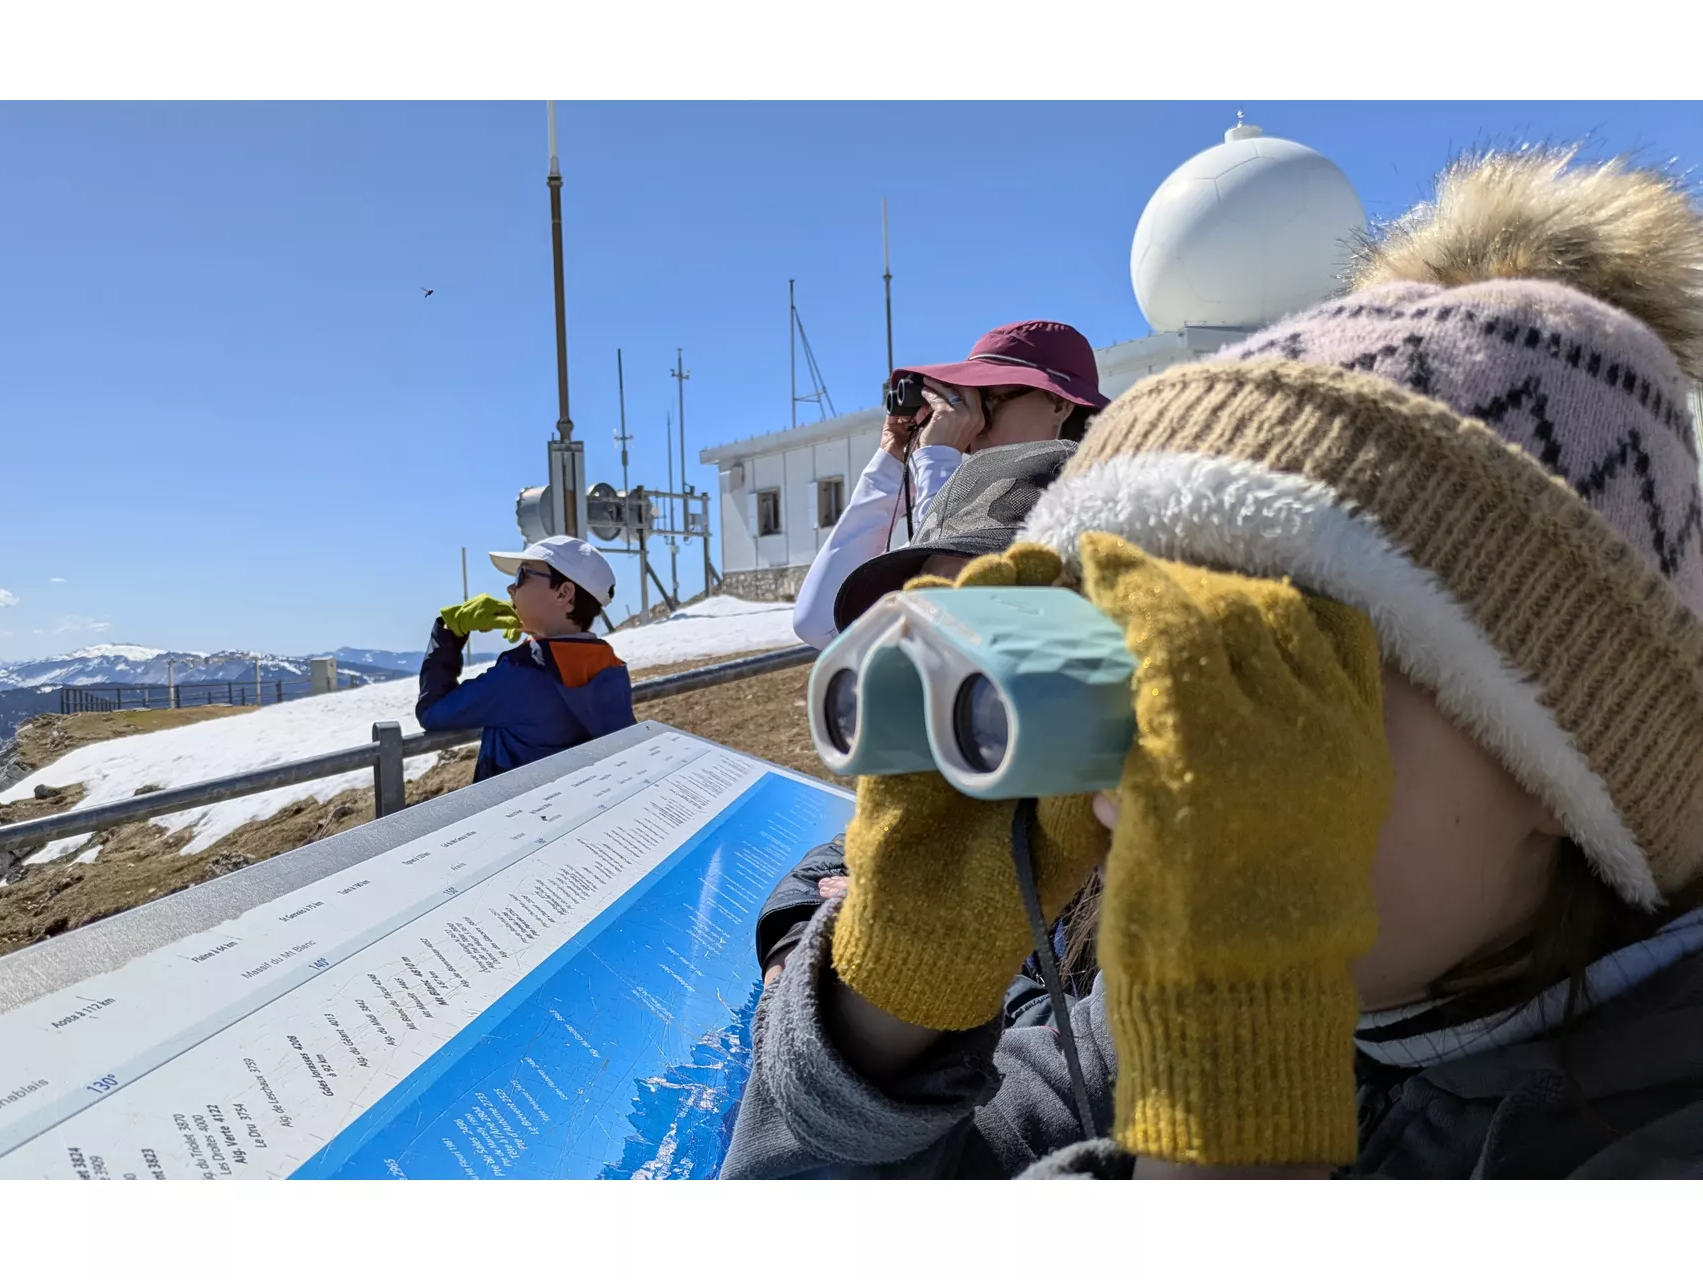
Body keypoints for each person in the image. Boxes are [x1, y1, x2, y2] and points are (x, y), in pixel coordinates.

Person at [724, 147, 1703, 1179]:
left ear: (1571, 759)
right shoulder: (1137, 1027)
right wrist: (893, 1005)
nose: (1154, 759)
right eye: (1139, 646)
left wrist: (1225, 1147)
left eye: (1269, 662)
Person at [755, 439, 1080, 992]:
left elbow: (1103, 1052)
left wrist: (920, 956)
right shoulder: (988, 758)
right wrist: (800, 931)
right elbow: (856, 849)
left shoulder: (1171, 827)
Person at [790, 320, 1107, 650]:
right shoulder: (962, 501)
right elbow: (818, 623)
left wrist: (937, 461)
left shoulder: (1085, 506)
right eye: (963, 402)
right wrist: (891, 463)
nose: (972, 422)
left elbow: (947, 610)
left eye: (988, 401)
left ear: (1059, 403)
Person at [415, 535, 634, 782]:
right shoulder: (610, 665)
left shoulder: (519, 673)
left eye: (522, 576)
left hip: (512, 813)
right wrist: (538, 636)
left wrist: (448, 631)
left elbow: (432, 712)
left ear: (564, 594)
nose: (511, 589)